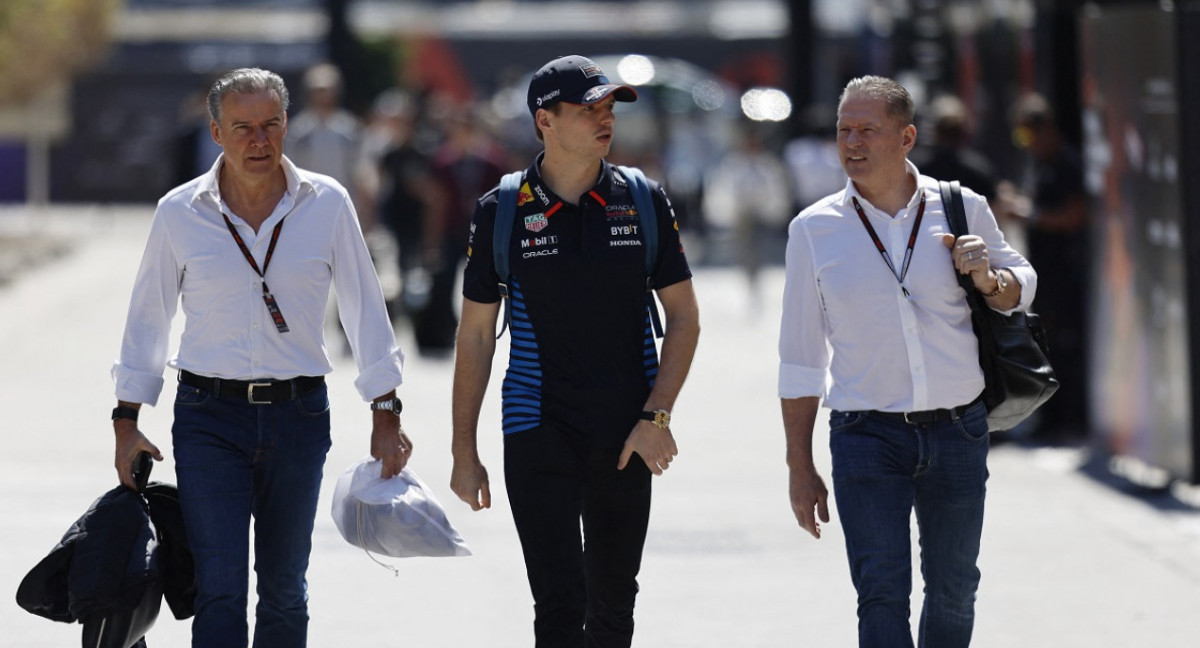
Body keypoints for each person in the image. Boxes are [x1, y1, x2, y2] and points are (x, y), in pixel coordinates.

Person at [110, 68, 413, 648]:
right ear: (216, 131)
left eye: (270, 124)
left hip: (298, 417)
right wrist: (127, 423)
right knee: (219, 588)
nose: (258, 140)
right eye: (243, 127)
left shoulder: (326, 203)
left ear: (286, 126)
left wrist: (387, 411)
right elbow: (147, 318)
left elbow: (366, 308)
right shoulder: (179, 212)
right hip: (207, 417)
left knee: (284, 588)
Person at [449, 55, 700, 647]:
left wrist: (656, 416)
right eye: (589, 108)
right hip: (538, 424)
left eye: (609, 107)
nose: (605, 118)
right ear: (545, 120)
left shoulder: (643, 199)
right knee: (559, 605)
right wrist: (464, 449)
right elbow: (477, 336)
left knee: (614, 604)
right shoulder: (501, 210)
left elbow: (685, 319)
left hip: (627, 429)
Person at [779, 76, 1036, 647]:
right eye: (844, 130)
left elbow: (1023, 282)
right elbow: (799, 357)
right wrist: (800, 463)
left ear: (907, 137)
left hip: (958, 431)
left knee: (953, 588)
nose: (852, 141)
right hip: (864, 435)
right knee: (881, 593)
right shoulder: (813, 229)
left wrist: (989, 279)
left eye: (868, 129)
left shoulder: (961, 207)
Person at [997, 93, 1090, 443]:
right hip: (1045, 273)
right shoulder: (1041, 165)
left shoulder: (1066, 163)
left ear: (1045, 129)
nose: (1027, 144)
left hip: (1066, 271)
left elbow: (1075, 215)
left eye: (1029, 135)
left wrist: (1030, 214)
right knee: (1047, 342)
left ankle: (1067, 419)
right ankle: (1050, 417)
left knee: (1065, 346)